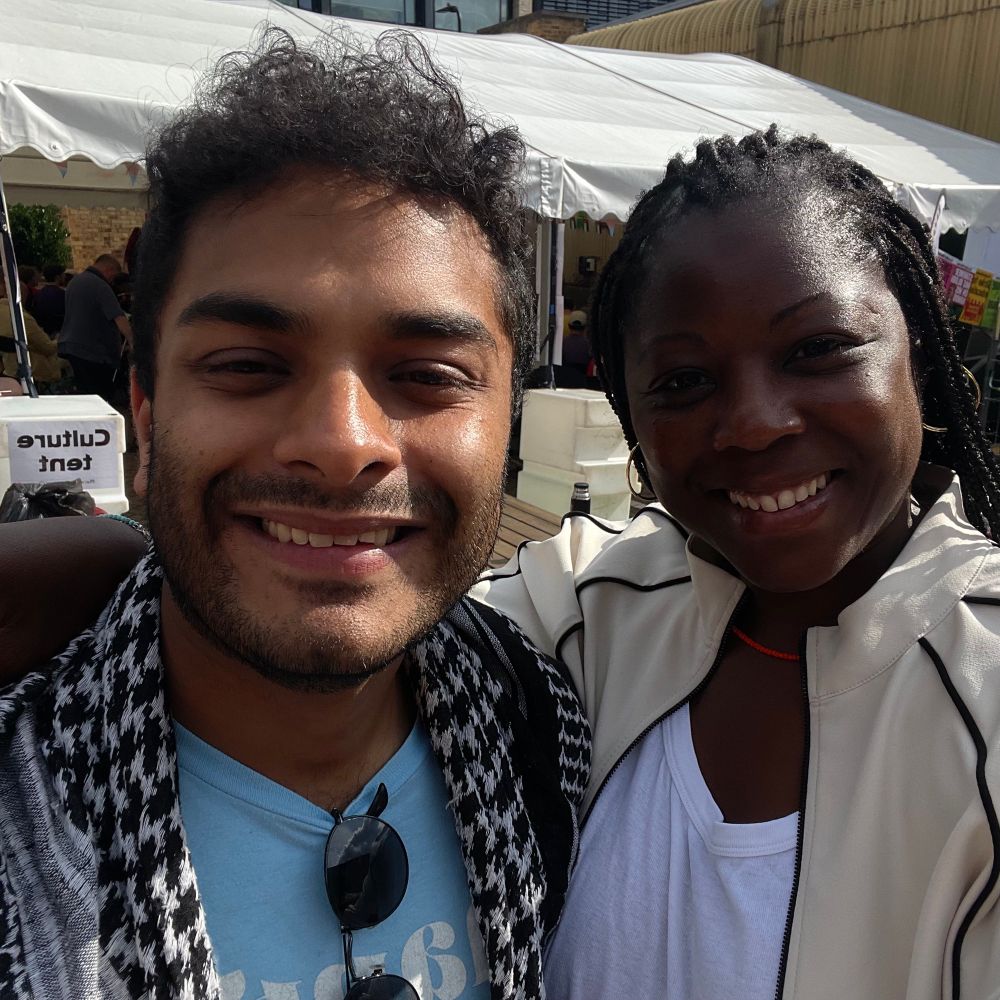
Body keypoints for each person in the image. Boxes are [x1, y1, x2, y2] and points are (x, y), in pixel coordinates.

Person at [0, 28, 588, 1000]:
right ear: (143, 413)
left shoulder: (547, 727)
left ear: (506, 425)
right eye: (247, 365)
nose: (342, 440)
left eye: (427, 375)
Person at [475, 127, 1000, 999]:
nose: (754, 423)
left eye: (816, 350)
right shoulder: (586, 607)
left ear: (916, 347)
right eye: (683, 382)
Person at [59, 252, 132, 400]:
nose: (113, 281)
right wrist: (133, 341)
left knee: (85, 395)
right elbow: (118, 317)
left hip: (72, 347)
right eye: (113, 276)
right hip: (94, 352)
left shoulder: (75, 282)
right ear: (109, 270)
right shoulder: (100, 286)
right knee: (101, 397)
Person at [0, 279, 66, 388]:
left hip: (8, 369)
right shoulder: (21, 319)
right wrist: (59, 339)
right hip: (34, 371)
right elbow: (48, 348)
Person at [30, 263, 68, 337]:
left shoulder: (38, 294)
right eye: (63, 274)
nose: (65, 276)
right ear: (57, 277)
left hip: (43, 332)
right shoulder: (63, 294)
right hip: (60, 332)